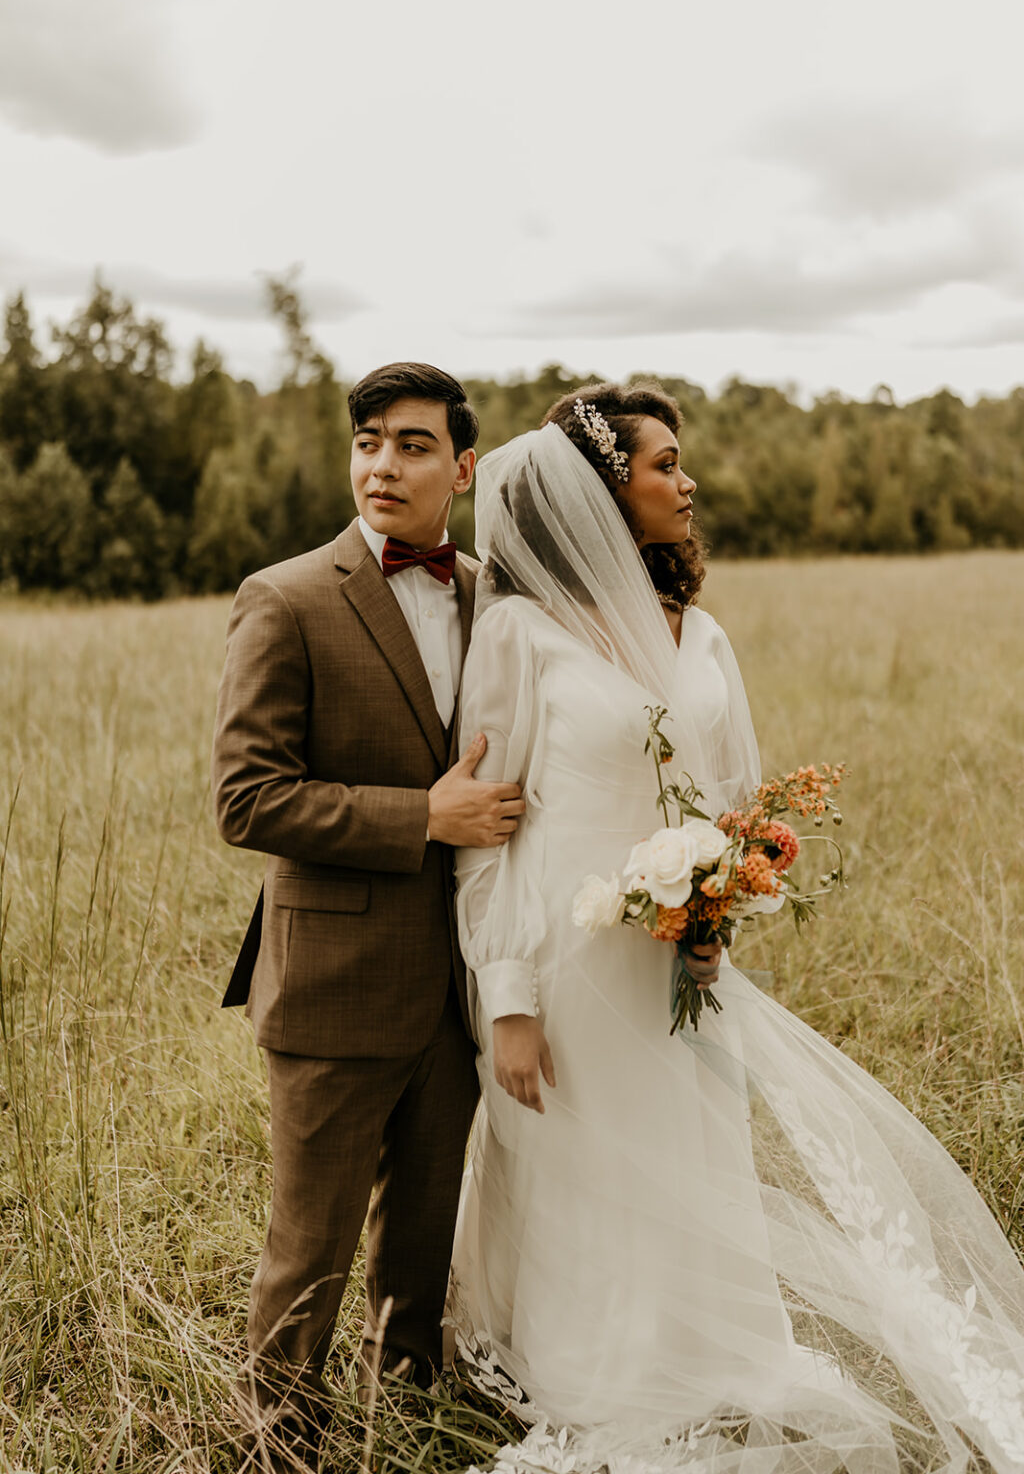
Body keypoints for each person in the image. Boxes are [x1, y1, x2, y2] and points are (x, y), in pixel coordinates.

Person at [448, 382, 1024, 1474]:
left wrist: (721, 903)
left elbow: (736, 802)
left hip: (677, 962)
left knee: (693, 1160)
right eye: (663, 463)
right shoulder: (519, 635)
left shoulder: (700, 635)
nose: (686, 479)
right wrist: (510, 997)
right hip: (561, 966)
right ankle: (599, 1384)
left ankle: (710, 1360)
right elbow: (486, 838)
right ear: (601, 492)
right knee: (588, 1181)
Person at [210, 362, 524, 1469]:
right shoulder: (285, 597)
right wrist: (421, 818)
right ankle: (280, 1444)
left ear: (464, 467)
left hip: (459, 988)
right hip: (335, 986)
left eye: (413, 445)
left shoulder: (499, 596)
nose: (383, 464)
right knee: (309, 1257)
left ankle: (412, 1432)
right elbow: (246, 798)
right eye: (368, 442)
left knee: (421, 1250)